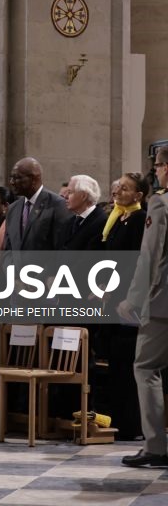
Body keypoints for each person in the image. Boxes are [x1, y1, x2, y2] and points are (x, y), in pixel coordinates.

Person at [118, 146, 168, 467]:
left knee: (146, 368)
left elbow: (149, 257)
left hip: (163, 305)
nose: (156, 171)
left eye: (158, 166)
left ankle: (156, 447)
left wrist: (133, 300)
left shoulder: (161, 203)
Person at [99, 173, 149, 441]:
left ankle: (132, 426)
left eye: (125, 188)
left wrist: (121, 293)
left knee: (128, 363)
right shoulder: (118, 218)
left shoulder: (140, 219)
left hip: (128, 301)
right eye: (117, 186)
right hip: (113, 297)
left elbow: (135, 262)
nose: (117, 191)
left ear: (138, 195)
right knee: (116, 363)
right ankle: (118, 421)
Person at [5, 157, 73, 251]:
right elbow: (8, 248)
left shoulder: (57, 204)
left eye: (17, 178)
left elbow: (61, 247)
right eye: (11, 177)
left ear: (34, 179)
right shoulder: (13, 208)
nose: (12, 182)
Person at [60, 175, 107, 250]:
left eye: (70, 192)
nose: (65, 196)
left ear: (84, 196)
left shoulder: (101, 222)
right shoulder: (70, 221)